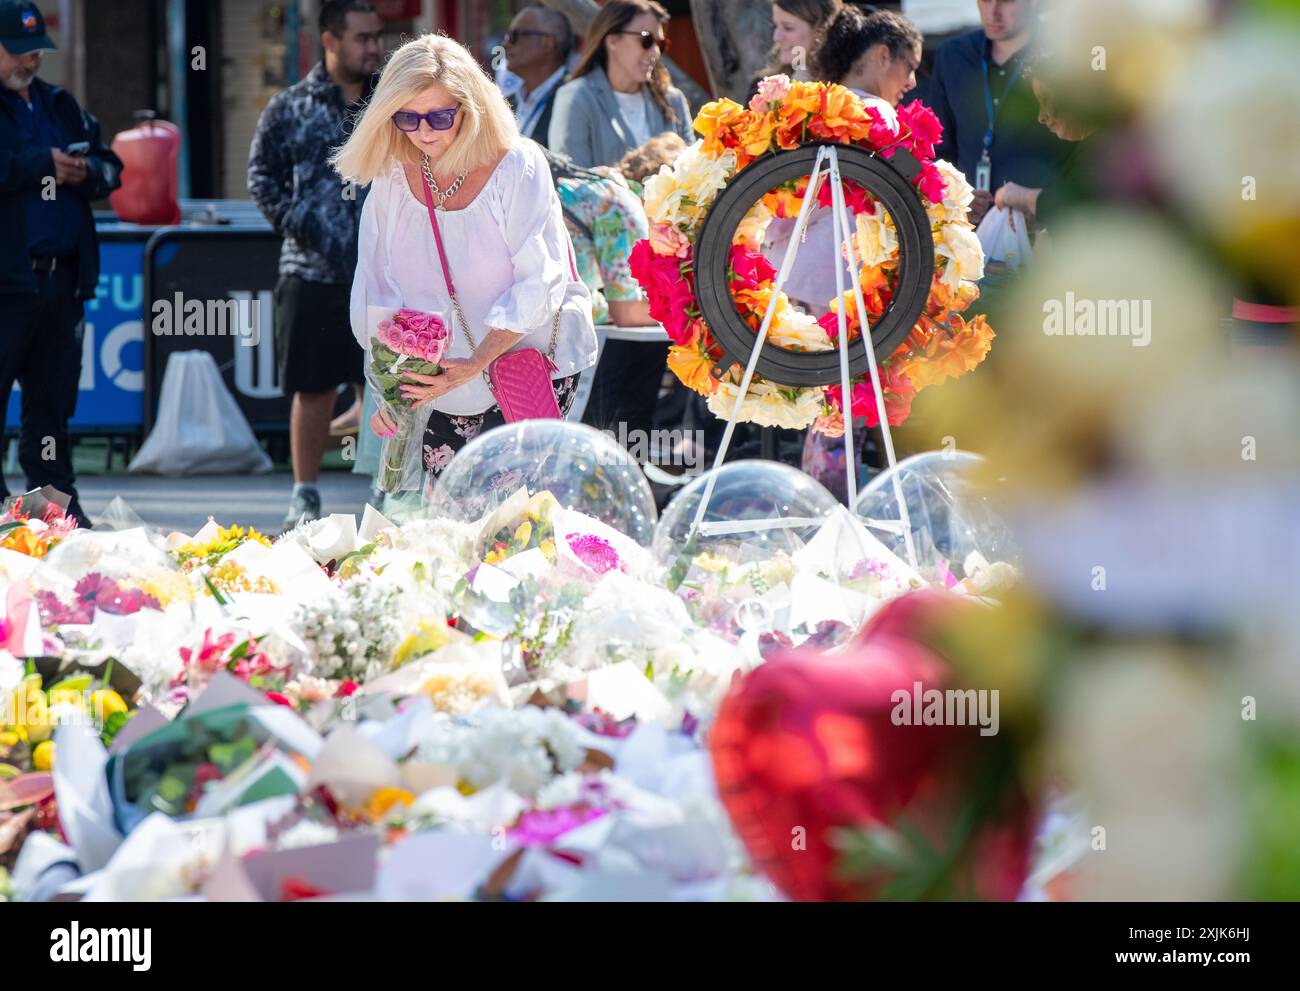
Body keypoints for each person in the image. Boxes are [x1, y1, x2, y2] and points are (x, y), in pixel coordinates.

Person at [334, 34, 597, 488]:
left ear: (471, 108)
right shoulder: (392, 180)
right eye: (407, 118)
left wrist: (476, 362)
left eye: (439, 115)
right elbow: (378, 293)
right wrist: (391, 392)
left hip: (525, 364)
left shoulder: (517, 166)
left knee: (516, 518)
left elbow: (541, 280)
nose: (425, 131)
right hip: (442, 379)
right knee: (447, 518)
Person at [248, 0, 383, 531]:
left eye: (377, 37)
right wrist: (302, 221)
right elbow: (261, 177)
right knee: (312, 388)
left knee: (387, 384)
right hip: (311, 270)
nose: (373, 47)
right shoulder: (290, 107)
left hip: (385, 273)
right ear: (329, 41)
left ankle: (385, 489)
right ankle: (304, 492)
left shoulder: (393, 105)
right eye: (361, 38)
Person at [0, 1, 121, 527]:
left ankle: (54, 508)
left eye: (35, 51)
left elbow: (111, 165)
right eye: (17, 50)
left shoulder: (59, 104)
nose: (29, 60)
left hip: (61, 280)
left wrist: (85, 172)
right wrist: (38, 165)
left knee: (51, 405)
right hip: (5, 282)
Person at [927, 0, 1069, 225]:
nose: (992, 12)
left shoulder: (1065, 54)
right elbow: (937, 148)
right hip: (969, 231)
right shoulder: (952, 55)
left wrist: (1042, 202)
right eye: (984, 0)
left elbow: (1082, 147)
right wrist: (953, 200)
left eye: (1006, 1)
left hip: (1044, 226)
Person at [549, 0, 692, 168]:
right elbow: (571, 180)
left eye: (661, 44)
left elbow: (692, 173)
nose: (655, 52)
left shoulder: (673, 100)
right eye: (646, 40)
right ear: (612, 41)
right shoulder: (576, 98)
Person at [815, 7, 923, 107]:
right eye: (910, 67)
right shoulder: (880, 110)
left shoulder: (817, 108)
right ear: (883, 56)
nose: (912, 83)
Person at [502, 5, 574, 148]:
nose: (505, 44)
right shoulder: (506, 105)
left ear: (547, 43)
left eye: (514, 35)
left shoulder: (574, 100)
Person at [750, 0, 842, 95]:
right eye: (776, 26)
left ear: (821, 30)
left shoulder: (846, 86)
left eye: (788, 28)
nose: (776, 37)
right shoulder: (763, 87)